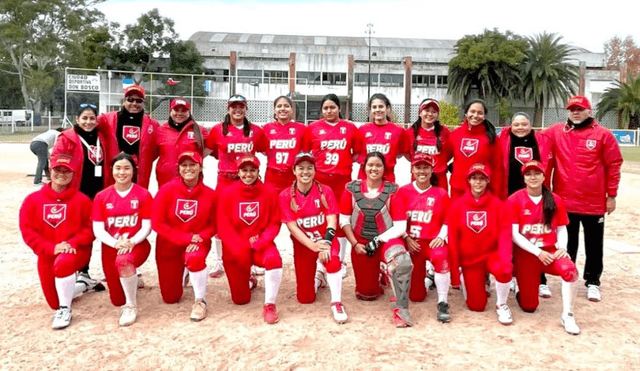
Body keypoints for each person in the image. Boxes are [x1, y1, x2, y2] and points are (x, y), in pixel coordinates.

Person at [543, 95, 623, 302]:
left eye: (579, 109)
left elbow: (614, 164)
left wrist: (611, 195)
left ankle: (593, 281)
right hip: (565, 201)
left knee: (594, 244)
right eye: (571, 109)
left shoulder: (603, 135)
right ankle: (568, 277)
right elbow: (528, 135)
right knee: (567, 243)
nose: (575, 112)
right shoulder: (556, 132)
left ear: (589, 110)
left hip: (593, 202)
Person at [19, 154, 94, 329]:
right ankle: (83, 285)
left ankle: (64, 310)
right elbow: (27, 231)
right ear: (49, 171)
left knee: (63, 271)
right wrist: (51, 248)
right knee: (53, 300)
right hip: (47, 254)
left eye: (66, 171)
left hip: (74, 251)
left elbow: (90, 229)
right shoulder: (32, 200)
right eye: (57, 170)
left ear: (73, 174)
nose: (62, 174)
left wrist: (71, 244)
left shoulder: (82, 200)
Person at [340, 152, 413, 327]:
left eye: (378, 165)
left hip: (386, 240)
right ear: (364, 167)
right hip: (361, 241)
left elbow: (400, 226)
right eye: (370, 165)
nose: (374, 168)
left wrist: (379, 239)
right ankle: (381, 274)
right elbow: (344, 220)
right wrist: (355, 244)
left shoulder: (392, 190)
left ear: (384, 168)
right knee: (367, 295)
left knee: (401, 261)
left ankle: (401, 310)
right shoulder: (351, 189)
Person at [507, 160, 580, 335]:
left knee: (569, 270)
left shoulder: (555, 199)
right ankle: (519, 284)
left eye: (536, 173)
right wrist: (537, 252)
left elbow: (562, 227)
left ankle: (568, 314)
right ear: (524, 178)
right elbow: (514, 234)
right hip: (527, 254)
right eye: (528, 174)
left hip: (550, 251)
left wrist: (562, 248)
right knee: (529, 307)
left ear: (543, 176)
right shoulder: (515, 199)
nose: (533, 177)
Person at [279, 152, 347, 323]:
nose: (305, 172)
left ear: (315, 171)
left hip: (325, 240)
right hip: (304, 244)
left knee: (332, 261)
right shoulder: (285, 195)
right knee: (305, 298)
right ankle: (318, 277)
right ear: (294, 170)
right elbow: (292, 227)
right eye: (301, 168)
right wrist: (312, 246)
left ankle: (337, 302)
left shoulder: (325, 191)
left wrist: (325, 244)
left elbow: (332, 220)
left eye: (309, 168)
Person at [205, 94, 268, 278]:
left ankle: (254, 258)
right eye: (234, 106)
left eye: (241, 106)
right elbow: (206, 151)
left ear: (246, 108)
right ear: (228, 109)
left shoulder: (255, 131)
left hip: (248, 180)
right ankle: (220, 260)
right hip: (225, 180)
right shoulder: (218, 130)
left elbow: (267, 151)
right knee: (221, 220)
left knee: (251, 219)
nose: (237, 110)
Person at [216, 154, 283, 324]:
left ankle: (269, 304)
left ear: (258, 171)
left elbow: (275, 223)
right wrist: (241, 245)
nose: (248, 174)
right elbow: (223, 226)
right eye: (244, 170)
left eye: (252, 170)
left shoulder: (269, 192)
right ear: (238, 172)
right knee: (240, 300)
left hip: (260, 245)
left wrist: (261, 241)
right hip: (236, 248)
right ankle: (249, 280)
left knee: (274, 259)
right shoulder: (227, 193)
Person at [303, 93, 364, 277]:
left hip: (342, 180)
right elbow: (305, 153)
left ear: (339, 108)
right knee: (321, 218)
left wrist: (344, 161)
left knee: (342, 219)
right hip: (320, 180)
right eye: (326, 108)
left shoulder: (350, 128)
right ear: (321, 110)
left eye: (332, 107)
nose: (329, 111)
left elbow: (359, 152)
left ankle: (341, 259)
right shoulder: (312, 128)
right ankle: (322, 256)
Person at [152, 151, 216, 321]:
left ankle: (200, 301)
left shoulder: (210, 194)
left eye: (192, 164)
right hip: (169, 244)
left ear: (200, 167)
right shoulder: (166, 191)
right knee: (170, 298)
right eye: (184, 165)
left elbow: (214, 225)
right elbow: (157, 223)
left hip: (197, 242)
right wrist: (185, 238)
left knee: (195, 258)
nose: (188, 168)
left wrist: (200, 237)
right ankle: (185, 272)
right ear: (178, 169)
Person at [52, 104, 109, 295]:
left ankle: (83, 272)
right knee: (75, 232)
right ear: (77, 119)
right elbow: (57, 164)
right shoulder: (67, 138)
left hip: (98, 193)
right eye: (84, 118)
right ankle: (72, 271)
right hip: (77, 193)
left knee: (91, 232)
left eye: (92, 118)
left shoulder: (101, 137)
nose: (88, 122)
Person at [447, 163, 513, 325]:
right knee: (476, 306)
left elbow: (505, 235)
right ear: (468, 181)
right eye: (474, 178)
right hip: (471, 261)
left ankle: (502, 304)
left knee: (504, 270)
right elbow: (453, 238)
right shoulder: (458, 205)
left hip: (491, 255)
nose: (478, 182)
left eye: (482, 179)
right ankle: (472, 281)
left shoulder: (498, 205)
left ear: (487, 181)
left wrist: (505, 261)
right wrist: (456, 271)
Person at [92, 153, 153, 326]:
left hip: (136, 245)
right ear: (112, 170)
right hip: (111, 247)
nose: (122, 172)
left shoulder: (143, 194)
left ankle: (131, 305)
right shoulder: (102, 197)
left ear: (133, 171)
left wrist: (131, 242)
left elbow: (146, 226)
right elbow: (98, 229)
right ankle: (132, 280)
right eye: (118, 168)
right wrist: (115, 243)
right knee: (116, 299)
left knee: (124, 261)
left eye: (127, 168)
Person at [499, 112, 553, 298]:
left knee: (538, 234)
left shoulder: (541, 140)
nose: (520, 127)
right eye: (516, 124)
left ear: (531, 125)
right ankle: (514, 276)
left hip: (536, 195)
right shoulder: (503, 139)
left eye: (524, 124)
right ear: (510, 126)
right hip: (510, 196)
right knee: (513, 235)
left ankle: (541, 279)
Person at [398, 153, 452, 323]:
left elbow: (449, 219)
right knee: (416, 296)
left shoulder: (441, 193)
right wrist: (406, 238)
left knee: (441, 256)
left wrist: (441, 236)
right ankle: (428, 281)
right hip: (412, 243)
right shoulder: (403, 191)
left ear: (432, 169)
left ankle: (443, 301)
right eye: (418, 167)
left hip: (431, 242)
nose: (422, 171)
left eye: (426, 167)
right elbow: (397, 220)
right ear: (412, 169)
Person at [97, 84, 159, 189]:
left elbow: (157, 149)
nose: (134, 103)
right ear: (124, 101)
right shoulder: (108, 119)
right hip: (114, 172)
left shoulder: (152, 125)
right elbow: (87, 124)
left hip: (140, 174)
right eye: (130, 99)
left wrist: (142, 159)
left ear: (143, 103)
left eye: (138, 100)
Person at [442, 99, 505, 200]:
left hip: (482, 191)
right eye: (472, 111)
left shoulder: (492, 138)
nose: (475, 115)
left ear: (484, 117)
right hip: (458, 191)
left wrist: (497, 196)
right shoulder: (455, 135)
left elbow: (498, 169)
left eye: (480, 113)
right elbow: (442, 158)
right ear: (466, 113)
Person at [357, 93, 410, 183]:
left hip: (387, 179)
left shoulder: (398, 131)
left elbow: (402, 153)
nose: (378, 110)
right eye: (374, 107)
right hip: (365, 179)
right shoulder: (362, 130)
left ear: (388, 109)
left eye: (381, 106)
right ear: (370, 110)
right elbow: (356, 154)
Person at [155, 98, 207, 187]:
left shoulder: (200, 131)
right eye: (176, 110)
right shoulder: (160, 131)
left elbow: (213, 150)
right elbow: (151, 154)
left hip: (191, 180)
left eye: (183, 110)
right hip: (166, 181)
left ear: (189, 112)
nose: (179, 113)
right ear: (170, 111)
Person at [263, 96, 306, 194]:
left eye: (286, 106)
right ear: (274, 110)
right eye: (279, 106)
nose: (283, 109)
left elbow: (305, 150)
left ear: (292, 110)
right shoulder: (266, 129)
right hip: (272, 176)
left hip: (292, 176)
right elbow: (262, 149)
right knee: (272, 207)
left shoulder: (301, 129)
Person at [407, 98, 451, 191]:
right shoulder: (410, 132)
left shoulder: (445, 131)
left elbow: (450, 152)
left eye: (434, 111)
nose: (430, 114)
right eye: (426, 110)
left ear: (437, 115)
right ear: (420, 113)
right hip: (419, 177)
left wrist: (441, 163)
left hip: (439, 178)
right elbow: (406, 153)